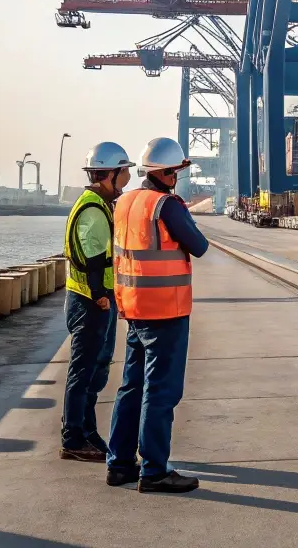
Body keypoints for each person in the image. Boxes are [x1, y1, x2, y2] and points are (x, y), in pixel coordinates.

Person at [106, 137, 209, 493]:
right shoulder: (166, 205)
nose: (178, 177)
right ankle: (153, 471)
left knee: (131, 386)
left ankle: (119, 464)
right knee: (162, 391)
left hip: (133, 307)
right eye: (177, 171)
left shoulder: (125, 202)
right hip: (165, 310)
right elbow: (199, 246)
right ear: (166, 173)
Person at [60, 141, 134, 462]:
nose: (127, 177)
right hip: (89, 303)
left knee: (96, 368)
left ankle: (87, 430)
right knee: (83, 370)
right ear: (110, 174)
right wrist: (100, 295)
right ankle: (72, 438)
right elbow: (92, 255)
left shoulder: (101, 204)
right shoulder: (93, 209)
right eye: (124, 172)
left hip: (92, 301)